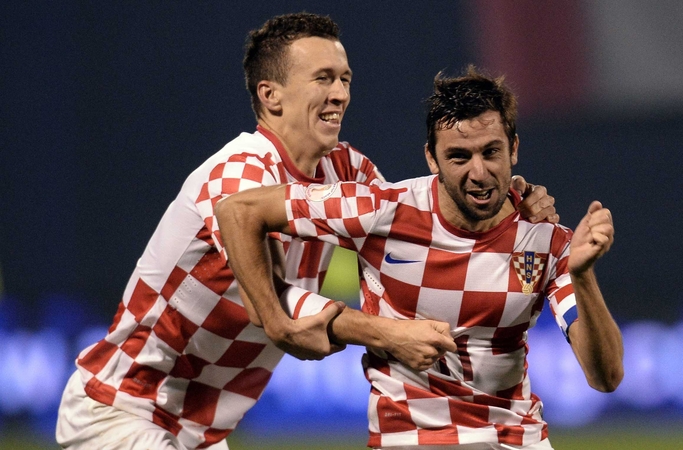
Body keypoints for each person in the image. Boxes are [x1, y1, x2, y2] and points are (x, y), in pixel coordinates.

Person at [55, 13, 558, 450]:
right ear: (270, 95)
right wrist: (387, 332)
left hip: (196, 427)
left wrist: (510, 197)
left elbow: (420, 230)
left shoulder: (348, 172)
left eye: (345, 78)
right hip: (122, 407)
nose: (340, 93)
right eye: (322, 78)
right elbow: (271, 305)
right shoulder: (237, 177)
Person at [216, 66, 624, 449]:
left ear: (513, 149)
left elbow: (605, 377)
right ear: (431, 158)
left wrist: (582, 274)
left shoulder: (546, 241)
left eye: (491, 152)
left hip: (515, 439)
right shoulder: (382, 211)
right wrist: (274, 321)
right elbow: (239, 212)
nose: (478, 172)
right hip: (410, 439)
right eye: (459, 157)